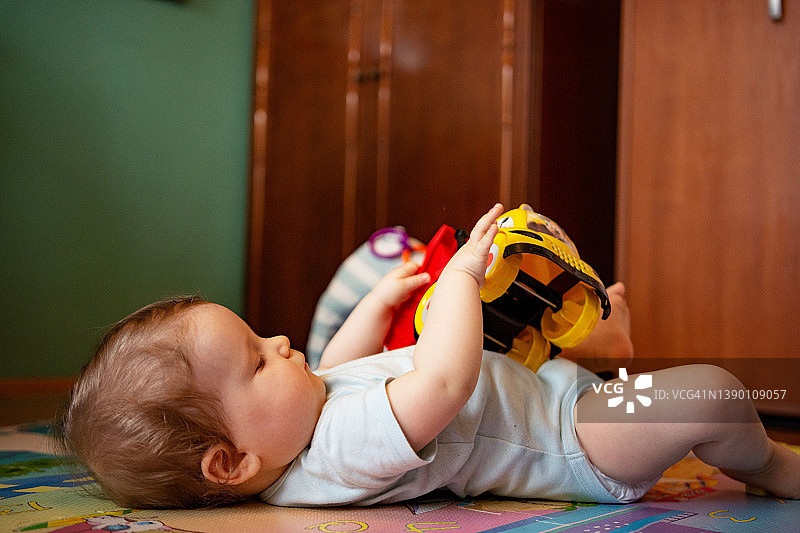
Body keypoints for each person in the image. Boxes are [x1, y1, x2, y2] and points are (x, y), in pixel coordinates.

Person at [55, 204, 799, 509]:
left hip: (549, 394)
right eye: (256, 359)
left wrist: (374, 308)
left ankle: (612, 335)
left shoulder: (303, 420)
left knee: (601, 341)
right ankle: (766, 463)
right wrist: (458, 285)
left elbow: (331, 365)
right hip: (580, 443)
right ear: (232, 461)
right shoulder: (338, 452)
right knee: (708, 391)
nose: (279, 343)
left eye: (259, 334)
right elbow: (444, 380)